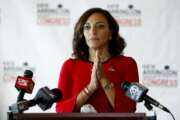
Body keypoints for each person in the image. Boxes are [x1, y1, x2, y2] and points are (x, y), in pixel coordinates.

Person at [56, 7, 139, 113]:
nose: (93, 31)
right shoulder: (70, 66)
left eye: (100, 26)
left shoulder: (128, 64)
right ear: (82, 34)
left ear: (110, 34)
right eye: (87, 27)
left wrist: (104, 79)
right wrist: (90, 88)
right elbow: (61, 110)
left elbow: (129, 109)